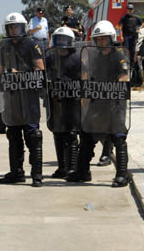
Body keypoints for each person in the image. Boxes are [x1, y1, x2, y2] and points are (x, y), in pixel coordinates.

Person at [67, 20, 131, 187]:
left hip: (113, 103)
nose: (101, 41)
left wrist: (113, 89)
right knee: (87, 135)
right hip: (96, 102)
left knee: (118, 136)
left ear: (111, 38)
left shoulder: (118, 54)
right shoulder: (93, 55)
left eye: (103, 38)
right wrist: (84, 91)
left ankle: (122, 175)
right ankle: (82, 172)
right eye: (98, 39)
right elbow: (86, 74)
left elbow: (124, 76)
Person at [0, 12, 44, 187]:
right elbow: (0, 72)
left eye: (15, 26)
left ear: (22, 27)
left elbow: (40, 70)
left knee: (33, 135)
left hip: (29, 97)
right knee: (13, 134)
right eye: (10, 27)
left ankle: (37, 175)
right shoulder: (3, 46)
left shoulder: (32, 44)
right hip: (12, 97)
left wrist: (22, 75)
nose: (13, 30)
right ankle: (16, 172)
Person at [45, 27, 81, 179]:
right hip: (55, 99)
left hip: (72, 100)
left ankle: (72, 167)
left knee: (71, 133)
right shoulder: (50, 58)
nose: (60, 43)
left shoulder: (77, 58)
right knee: (57, 132)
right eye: (57, 40)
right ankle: (61, 167)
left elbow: (83, 77)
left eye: (63, 40)